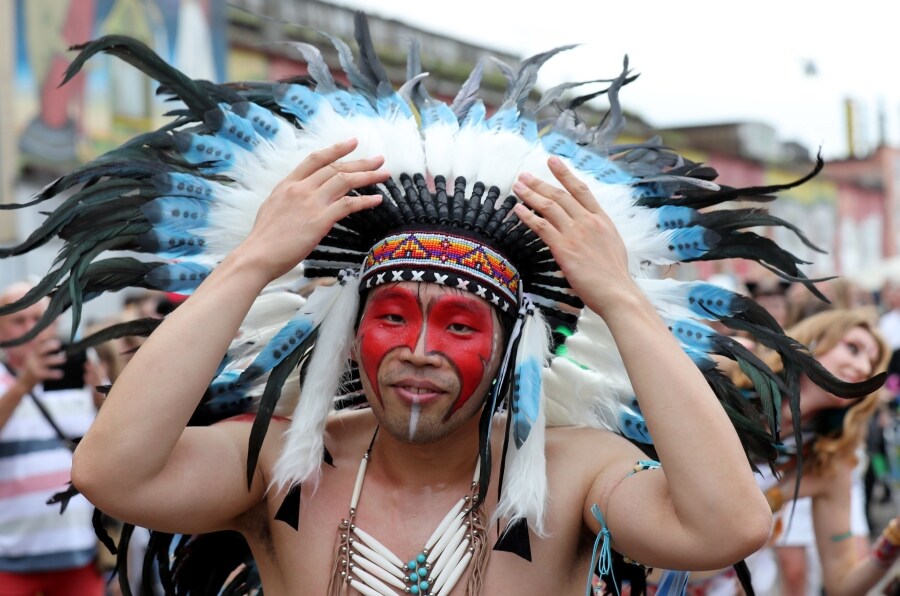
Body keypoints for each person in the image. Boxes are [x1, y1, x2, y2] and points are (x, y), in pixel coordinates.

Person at [0, 15, 879, 595]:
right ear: (351, 330)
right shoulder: (280, 468)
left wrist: (619, 298)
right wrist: (256, 260)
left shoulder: (572, 474)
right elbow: (109, 475)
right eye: (392, 315)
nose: (418, 346)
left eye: (459, 324)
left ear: (509, 349)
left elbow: (727, 524)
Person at [747, 309, 893, 596]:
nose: (863, 367)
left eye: (871, 364)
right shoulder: (729, 382)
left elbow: (841, 584)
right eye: (853, 348)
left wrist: (894, 539)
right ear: (815, 341)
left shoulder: (829, 465)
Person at [0, 282, 105, 595]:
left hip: (79, 553)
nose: (32, 329)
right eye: (19, 320)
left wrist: (103, 398)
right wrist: (23, 385)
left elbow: (115, 445)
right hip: (10, 557)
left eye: (40, 318)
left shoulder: (84, 369)